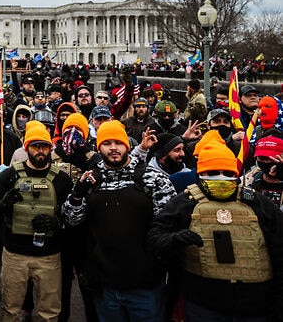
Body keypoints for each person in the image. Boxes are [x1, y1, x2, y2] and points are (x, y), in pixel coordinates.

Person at [148, 132, 283, 320]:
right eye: (212, 173)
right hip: (203, 303)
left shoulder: (258, 204)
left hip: (255, 303)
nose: (220, 178)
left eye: (227, 174)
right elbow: (156, 238)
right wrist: (175, 240)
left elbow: (279, 248)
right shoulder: (185, 202)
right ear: (200, 174)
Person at [62, 120, 177, 321]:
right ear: (99, 147)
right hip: (105, 286)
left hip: (145, 286)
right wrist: (77, 195)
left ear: (127, 145)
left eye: (118, 142)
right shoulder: (90, 180)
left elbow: (168, 227)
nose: (113, 148)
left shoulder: (153, 179)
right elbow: (71, 220)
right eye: (107, 143)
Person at [0, 121, 73, 322]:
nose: (40, 151)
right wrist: (4, 204)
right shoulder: (10, 174)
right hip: (15, 255)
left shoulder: (61, 179)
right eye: (35, 146)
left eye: (45, 146)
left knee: (50, 313)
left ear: (50, 147)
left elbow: (74, 216)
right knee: (10, 310)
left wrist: (57, 223)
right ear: (27, 147)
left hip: (49, 256)